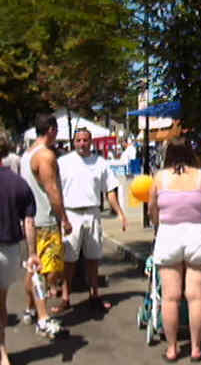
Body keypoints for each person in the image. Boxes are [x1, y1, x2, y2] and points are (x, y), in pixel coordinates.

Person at [0, 128, 40, 365]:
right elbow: (29, 221)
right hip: (11, 253)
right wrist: (33, 253)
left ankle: (1, 356)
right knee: (0, 303)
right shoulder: (18, 182)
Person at [148, 137, 201, 362]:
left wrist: (160, 223)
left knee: (170, 297)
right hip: (196, 233)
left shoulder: (160, 177)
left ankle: (172, 348)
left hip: (169, 234)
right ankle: (196, 348)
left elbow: (152, 210)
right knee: (196, 296)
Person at [57, 128, 127, 312]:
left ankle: (94, 295)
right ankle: (65, 298)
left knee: (93, 258)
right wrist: (59, 216)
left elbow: (110, 190)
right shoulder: (63, 163)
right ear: (74, 142)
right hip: (70, 213)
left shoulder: (101, 163)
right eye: (78, 140)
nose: (82, 143)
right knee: (69, 259)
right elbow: (54, 190)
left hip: (92, 213)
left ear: (91, 142)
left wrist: (119, 212)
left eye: (85, 140)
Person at [20, 113, 72, 338]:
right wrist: (64, 218)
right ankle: (43, 318)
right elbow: (52, 190)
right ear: (51, 129)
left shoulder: (26, 154)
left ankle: (30, 309)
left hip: (31, 219)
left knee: (33, 268)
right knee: (49, 272)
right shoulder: (45, 156)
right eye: (56, 129)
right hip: (45, 220)